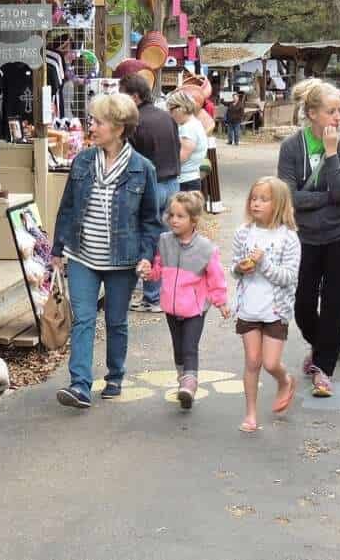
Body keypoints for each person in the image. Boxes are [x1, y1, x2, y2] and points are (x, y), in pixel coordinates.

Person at [51, 93, 162, 409]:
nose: (92, 126)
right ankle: (80, 385)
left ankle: (115, 376)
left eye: (98, 122)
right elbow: (68, 207)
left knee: (115, 321)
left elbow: (150, 220)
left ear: (118, 127)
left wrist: (145, 255)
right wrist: (58, 248)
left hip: (122, 260)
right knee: (83, 319)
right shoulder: (83, 161)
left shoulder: (143, 169)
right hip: (83, 255)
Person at [276, 78, 340, 398]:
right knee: (302, 305)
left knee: (335, 305)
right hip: (305, 237)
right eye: (330, 111)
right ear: (311, 113)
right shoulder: (290, 147)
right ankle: (326, 342)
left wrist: (330, 153)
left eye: (339, 110)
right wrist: (325, 197)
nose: (338, 117)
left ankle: (323, 370)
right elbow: (287, 197)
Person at [138, 191, 228, 408]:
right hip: (171, 306)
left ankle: (189, 383)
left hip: (195, 309)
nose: (174, 220)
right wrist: (149, 272)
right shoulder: (164, 241)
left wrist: (221, 301)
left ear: (194, 220)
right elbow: (159, 269)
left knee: (189, 347)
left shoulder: (206, 248)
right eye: (171, 215)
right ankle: (183, 381)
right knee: (178, 348)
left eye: (180, 216)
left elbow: (216, 277)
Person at [231, 176, 301, 431]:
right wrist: (241, 268)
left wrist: (264, 264)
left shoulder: (288, 238)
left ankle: (285, 380)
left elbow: (288, 277)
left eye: (264, 199)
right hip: (249, 307)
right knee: (252, 361)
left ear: (279, 204)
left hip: (275, 309)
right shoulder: (243, 233)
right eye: (253, 198)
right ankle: (250, 414)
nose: (256, 204)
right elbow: (234, 268)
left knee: (270, 363)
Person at [122, 74, 181, 314]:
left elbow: (129, 159)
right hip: (172, 184)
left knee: (146, 239)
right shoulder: (167, 117)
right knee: (165, 241)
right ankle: (161, 293)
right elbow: (177, 147)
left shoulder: (135, 122)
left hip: (149, 186)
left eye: (124, 93)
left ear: (135, 97)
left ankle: (151, 295)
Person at [166, 90, 207, 193]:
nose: (170, 114)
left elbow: (181, 157)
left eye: (171, 110)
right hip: (189, 178)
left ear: (180, 108)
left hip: (185, 180)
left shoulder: (188, 128)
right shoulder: (194, 124)